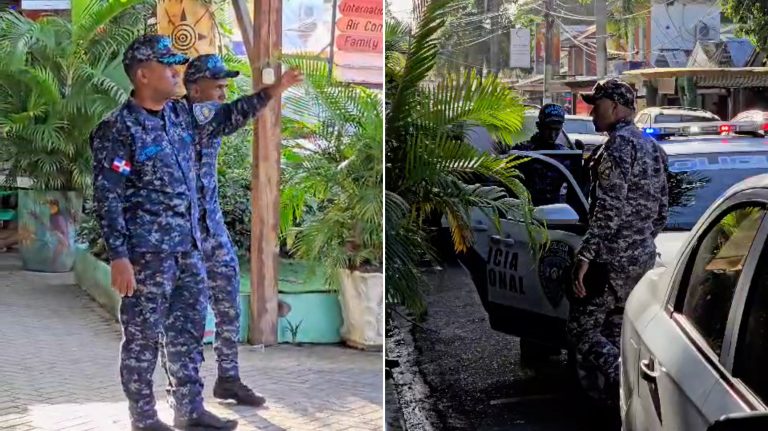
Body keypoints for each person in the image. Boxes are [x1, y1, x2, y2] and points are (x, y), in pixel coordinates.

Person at [90, 34, 302, 431]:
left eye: (177, 63)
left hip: (188, 249)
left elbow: (227, 116)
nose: (176, 72)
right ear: (142, 74)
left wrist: (271, 91)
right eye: (168, 65)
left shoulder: (181, 117)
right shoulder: (118, 130)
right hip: (148, 255)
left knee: (187, 334)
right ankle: (144, 419)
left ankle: (189, 410)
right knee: (143, 340)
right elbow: (109, 196)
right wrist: (118, 255)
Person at [158, 54, 264, 407]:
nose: (223, 93)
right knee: (185, 313)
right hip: (180, 235)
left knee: (228, 302)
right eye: (217, 86)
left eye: (225, 87)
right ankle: (185, 392)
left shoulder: (213, 118)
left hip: (212, 229)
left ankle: (229, 378)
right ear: (195, 87)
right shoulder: (170, 119)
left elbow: (231, 115)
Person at [568, 79, 668, 403]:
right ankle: (618, 403)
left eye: (595, 105)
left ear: (614, 106)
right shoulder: (654, 148)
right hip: (640, 260)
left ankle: (631, 382)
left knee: (581, 332)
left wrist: (585, 256)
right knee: (613, 329)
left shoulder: (616, 147)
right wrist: (640, 242)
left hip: (609, 261)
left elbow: (609, 208)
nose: (590, 111)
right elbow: (662, 210)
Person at [515, 104, 573, 206]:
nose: (552, 134)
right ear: (539, 126)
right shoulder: (522, 152)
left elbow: (575, 191)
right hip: (525, 212)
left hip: (555, 214)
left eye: (557, 129)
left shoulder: (564, 155)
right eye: (549, 129)